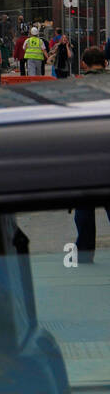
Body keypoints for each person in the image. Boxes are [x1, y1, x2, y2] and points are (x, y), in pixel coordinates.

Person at [74, 48, 110, 261]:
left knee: (84, 206)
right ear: (105, 64)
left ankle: (85, 253)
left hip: (86, 154)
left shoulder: (76, 87)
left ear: (83, 64)